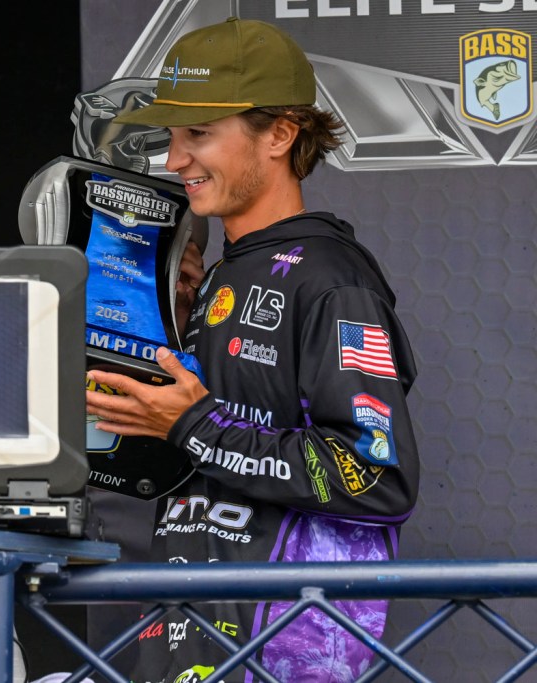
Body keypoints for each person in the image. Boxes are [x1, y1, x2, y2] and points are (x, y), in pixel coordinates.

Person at [84, 17, 420, 683]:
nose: (175, 159)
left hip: (285, 652)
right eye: (173, 136)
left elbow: (376, 474)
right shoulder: (219, 275)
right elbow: (204, 448)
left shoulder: (332, 279)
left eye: (199, 134)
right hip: (191, 633)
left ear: (280, 134)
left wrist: (194, 424)